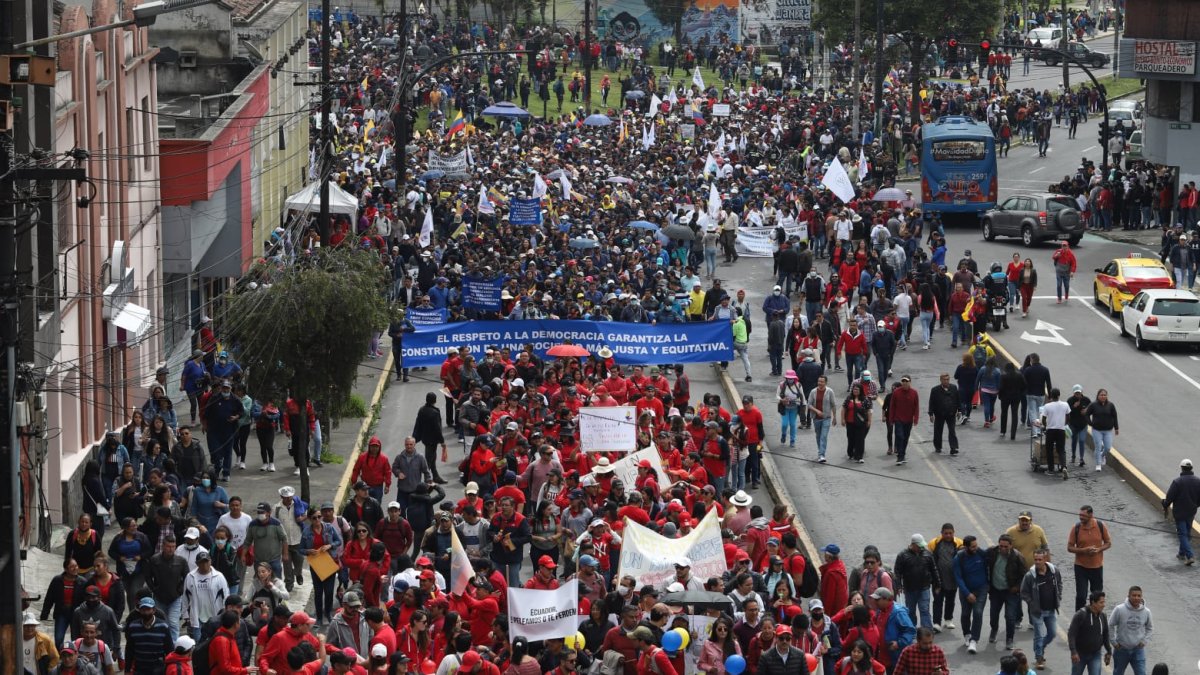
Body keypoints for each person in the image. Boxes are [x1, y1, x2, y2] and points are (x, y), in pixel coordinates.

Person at [1019, 548, 1062, 670]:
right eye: (1035, 559)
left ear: (1045, 559)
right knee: (1038, 634)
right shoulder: (1030, 576)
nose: (1037, 562)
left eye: (1040, 559)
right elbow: (1023, 592)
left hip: (1051, 610)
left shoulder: (1054, 572)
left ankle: (1039, 647)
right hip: (1037, 612)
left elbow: (1059, 584)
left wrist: (1058, 596)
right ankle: (1039, 658)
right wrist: (1032, 603)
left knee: (1052, 633)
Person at [984, 535, 1028, 651]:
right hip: (995, 591)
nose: (1002, 548)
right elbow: (980, 555)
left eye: (1005, 546)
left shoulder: (1017, 557)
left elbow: (1024, 575)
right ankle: (994, 630)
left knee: (1010, 617)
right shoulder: (992, 552)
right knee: (993, 614)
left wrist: (1017, 587)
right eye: (1001, 546)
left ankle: (1009, 639)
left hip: (1010, 592)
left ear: (1011, 546)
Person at [144, 535, 189, 641]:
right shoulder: (154, 560)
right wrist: (154, 589)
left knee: (173, 623)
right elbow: (147, 576)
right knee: (160, 622)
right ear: (163, 546)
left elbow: (187, 577)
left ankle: (173, 647)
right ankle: (161, 643)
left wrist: (180, 590)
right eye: (168, 546)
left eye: (173, 546)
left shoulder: (181, 561)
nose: (171, 549)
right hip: (159, 597)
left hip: (175, 597)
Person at [1067, 505, 1111, 611]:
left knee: (1097, 596)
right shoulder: (1076, 528)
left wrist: (1099, 550)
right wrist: (1084, 550)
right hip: (1081, 567)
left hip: (1097, 567)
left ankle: (1095, 617)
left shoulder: (1100, 526)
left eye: (1083, 516)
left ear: (1091, 515)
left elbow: (1108, 543)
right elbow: (1069, 547)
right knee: (1081, 596)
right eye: (1080, 515)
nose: (1081, 518)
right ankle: (1079, 619)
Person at [893, 534, 938, 630]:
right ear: (913, 544)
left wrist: (937, 584)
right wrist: (898, 586)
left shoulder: (927, 554)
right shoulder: (902, 555)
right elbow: (897, 572)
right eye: (919, 546)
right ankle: (911, 629)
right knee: (911, 611)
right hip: (909, 589)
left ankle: (926, 630)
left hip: (924, 588)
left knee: (924, 609)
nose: (922, 547)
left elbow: (934, 569)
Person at [951, 535, 987, 654]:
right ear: (966, 547)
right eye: (972, 547)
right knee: (966, 614)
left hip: (981, 589)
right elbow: (958, 577)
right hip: (966, 590)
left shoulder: (981, 553)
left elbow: (991, 559)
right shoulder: (959, 558)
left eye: (976, 545)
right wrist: (967, 593)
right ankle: (967, 634)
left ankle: (974, 640)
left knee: (978, 612)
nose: (975, 548)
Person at [1162, 458, 1200, 565]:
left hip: (1179, 512)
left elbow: (1169, 498)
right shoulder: (1198, 481)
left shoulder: (1177, 482)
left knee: (1182, 534)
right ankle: (1181, 553)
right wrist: (1195, 505)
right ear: (1191, 468)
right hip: (1191, 511)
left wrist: (1165, 504)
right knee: (1186, 533)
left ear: (1182, 468)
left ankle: (1190, 555)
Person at [1109, 586, 1153, 675]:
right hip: (1121, 649)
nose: (1136, 598)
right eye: (1134, 595)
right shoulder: (1119, 609)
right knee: (1118, 673)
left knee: (1141, 673)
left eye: (1139, 596)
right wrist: (1114, 642)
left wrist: (1144, 641)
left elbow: (1150, 628)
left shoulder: (1146, 612)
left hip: (1138, 650)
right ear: (1128, 596)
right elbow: (1110, 625)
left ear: (1141, 597)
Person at [123, 598, 173, 675]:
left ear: (154, 610)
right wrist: (127, 670)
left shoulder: (163, 627)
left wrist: (171, 669)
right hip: (139, 669)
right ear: (139, 610)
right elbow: (129, 650)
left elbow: (169, 650)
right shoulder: (133, 626)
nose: (146, 612)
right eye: (143, 609)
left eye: (148, 609)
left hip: (159, 669)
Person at [1067, 592, 1112, 675]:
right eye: (1101, 602)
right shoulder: (1080, 615)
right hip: (1080, 654)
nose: (1104, 605)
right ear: (1093, 603)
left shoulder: (1103, 616)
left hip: (1095, 654)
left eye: (1104, 602)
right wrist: (1073, 652)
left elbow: (1105, 635)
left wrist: (1109, 651)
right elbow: (1071, 634)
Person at [412, 393, 450, 484]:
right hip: (433, 440)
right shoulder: (434, 412)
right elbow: (437, 428)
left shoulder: (422, 410)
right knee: (428, 461)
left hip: (425, 438)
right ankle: (426, 481)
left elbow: (418, 425)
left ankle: (435, 476)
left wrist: (415, 437)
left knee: (432, 458)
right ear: (435, 400)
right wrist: (442, 441)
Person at [887, 376, 919, 465]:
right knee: (900, 436)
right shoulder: (896, 392)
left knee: (905, 437)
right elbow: (892, 406)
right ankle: (900, 456)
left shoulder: (914, 393)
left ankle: (902, 454)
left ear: (910, 382)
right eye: (903, 381)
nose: (904, 383)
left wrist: (915, 418)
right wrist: (891, 419)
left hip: (908, 420)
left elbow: (916, 407)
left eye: (906, 381)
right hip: (898, 419)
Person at [1083, 389, 1119, 471]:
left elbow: (1115, 416)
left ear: (1107, 396)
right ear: (1098, 396)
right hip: (1097, 430)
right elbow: (1087, 414)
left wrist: (1116, 428)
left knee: (1108, 447)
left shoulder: (1110, 405)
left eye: (1104, 395)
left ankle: (1102, 455)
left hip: (1108, 430)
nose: (1103, 396)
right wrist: (1090, 423)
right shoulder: (1093, 405)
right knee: (1098, 446)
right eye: (1101, 395)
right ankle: (1098, 464)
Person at [807, 376, 838, 463]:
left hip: (826, 418)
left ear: (826, 383)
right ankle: (820, 451)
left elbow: (833, 405)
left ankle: (821, 455)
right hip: (816, 418)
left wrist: (834, 417)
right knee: (818, 436)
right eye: (819, 381)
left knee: (823, 436)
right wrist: (817, 411)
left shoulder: (830, 391)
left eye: (822, 382)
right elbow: (809, 405)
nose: (820, 383)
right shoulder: (813, 391)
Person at [1039, 388, 1070, 477]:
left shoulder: (1047, 406)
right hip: (1061, 430)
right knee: (1061, 450)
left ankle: (1051, 469)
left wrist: (1045, 426)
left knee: (1049, 449)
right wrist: (1064, 424)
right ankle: (1063, 467)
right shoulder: (1065, 404)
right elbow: (1068, 417)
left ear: (1051, 396)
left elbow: (1044, 419)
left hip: (1050, 430)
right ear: (1059, 395)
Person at [927, 373, 959, 456]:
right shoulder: (935, 390)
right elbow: (931, 402)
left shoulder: (954, 388)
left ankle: (953, 447)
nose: (946, 381)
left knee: (952, 430)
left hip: (951, 413)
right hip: (939, 414)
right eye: (944, 380)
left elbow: (958, 399)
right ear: (941, 380)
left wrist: (959, 410)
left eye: (948, 379)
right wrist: (931, 414)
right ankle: (938, 446)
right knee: (938, 430)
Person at [22, 611, 59, 675]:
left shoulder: (45, 640)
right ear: (22, 626)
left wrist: (49, 671)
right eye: (27, 626)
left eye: (32, 625)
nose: (29, 628)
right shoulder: (15, 640)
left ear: (35, 625)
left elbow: (55, 657)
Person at [843, 383, 871, 464]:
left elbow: (868, 411)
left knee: (860, 440)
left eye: (857, 389)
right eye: (854, 389)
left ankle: (859, 456)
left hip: (861, 423)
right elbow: (844, 408)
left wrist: (869, 421)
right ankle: (850, 453)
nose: (855, 391)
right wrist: (842, 419)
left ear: (860, 391)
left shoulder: (865, 400)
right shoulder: (849, 398)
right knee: (851, 438)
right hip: (850, 423)